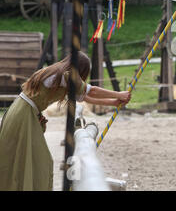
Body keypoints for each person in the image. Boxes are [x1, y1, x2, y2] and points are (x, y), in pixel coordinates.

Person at [0, 51, 132, 191]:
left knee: (29, 158)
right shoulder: (65, 75)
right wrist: (119, 94)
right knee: (37, 160)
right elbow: (91, 91)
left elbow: (85, 96)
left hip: (24, 112)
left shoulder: (60, 73)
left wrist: (113, 102)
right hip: (23, 115)